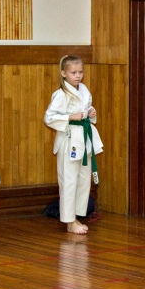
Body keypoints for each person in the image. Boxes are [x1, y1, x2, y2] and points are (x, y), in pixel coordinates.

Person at [43, 55, 103, 235]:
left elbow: (87, 109)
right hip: (69, 141)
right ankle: (69, 221)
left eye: (80, 72)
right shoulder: (61, 94)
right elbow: (49, 117)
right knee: (69, 181)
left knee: (83, 181)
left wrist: (91, 112)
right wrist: (70, 117)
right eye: (73, 72)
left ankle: (76, 216)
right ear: (64, 73)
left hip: (84, 139)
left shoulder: (83, 89)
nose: (78, 76)